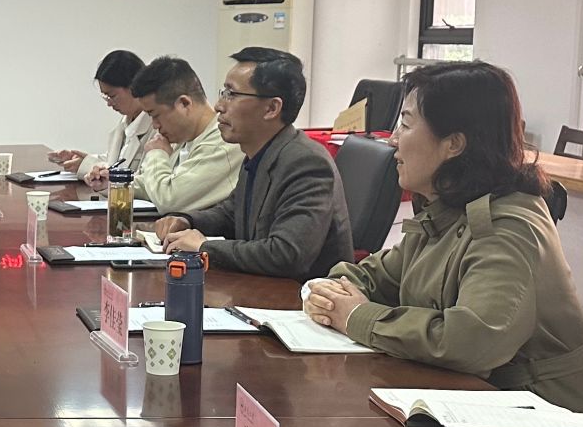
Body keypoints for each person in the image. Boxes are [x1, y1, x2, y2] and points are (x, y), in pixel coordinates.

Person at [304, 61, 583, 415]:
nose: (392, 139)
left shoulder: (508, 226)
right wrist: (332, 294)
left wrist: (357, 316)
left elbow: (472, 342)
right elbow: (374, 276)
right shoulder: (445, 210)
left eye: (405, 124)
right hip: (470, 402)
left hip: (546, 417)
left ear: (453, 144)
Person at [157, 47, 353, 280]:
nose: (219, 106)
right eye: (223, 92)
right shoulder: (258, 152)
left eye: (231, 94)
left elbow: (286, 254)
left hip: (301, 296)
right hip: (263, 286)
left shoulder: (307, 163)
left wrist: (203, 247)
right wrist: (187, 220)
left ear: (271, 108)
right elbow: (232, 213)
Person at [127, 56, 241, 215]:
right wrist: (116, 182)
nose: (155, 125)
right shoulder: (185, 138)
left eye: (155, 115)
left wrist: (157, 154)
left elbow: (169, 201)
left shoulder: (221, 144)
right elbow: (155, 185)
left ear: (184, 103)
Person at [46, 50, 155, 187]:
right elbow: (114, 162)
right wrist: (83, 161)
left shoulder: (156, 128)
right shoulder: (126, 123)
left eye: (112, 96)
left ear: (134, 87)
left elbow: (143, 180)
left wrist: (87, 166)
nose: (109, 103)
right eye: (106, 97)